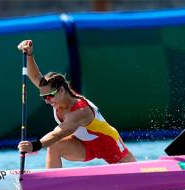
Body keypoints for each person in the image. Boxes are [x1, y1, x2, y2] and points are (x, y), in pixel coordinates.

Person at [17, 39, 136, 168]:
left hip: (108, 144)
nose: (47, 100)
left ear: (61, 90)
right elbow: (35, 76)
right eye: (43, 97)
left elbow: (58, 134)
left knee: (136, 177)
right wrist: (29, 55)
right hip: (84, 145)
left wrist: (35, 145)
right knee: (54, 146)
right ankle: (53, 185)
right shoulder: (54, 95)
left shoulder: (81, 110)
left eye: (50, 96)